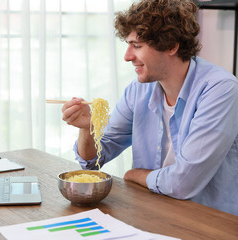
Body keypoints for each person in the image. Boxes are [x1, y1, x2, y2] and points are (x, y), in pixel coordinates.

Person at [62, 0, 238, 216]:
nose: (127, 56)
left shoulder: (220, 89)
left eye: (137, 46)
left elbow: (184, 182)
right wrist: (86, 128)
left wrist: (135, 174)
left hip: (209, 221)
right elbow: (94, 160)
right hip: (154, 213)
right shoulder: (138, 91)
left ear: (171, 45)